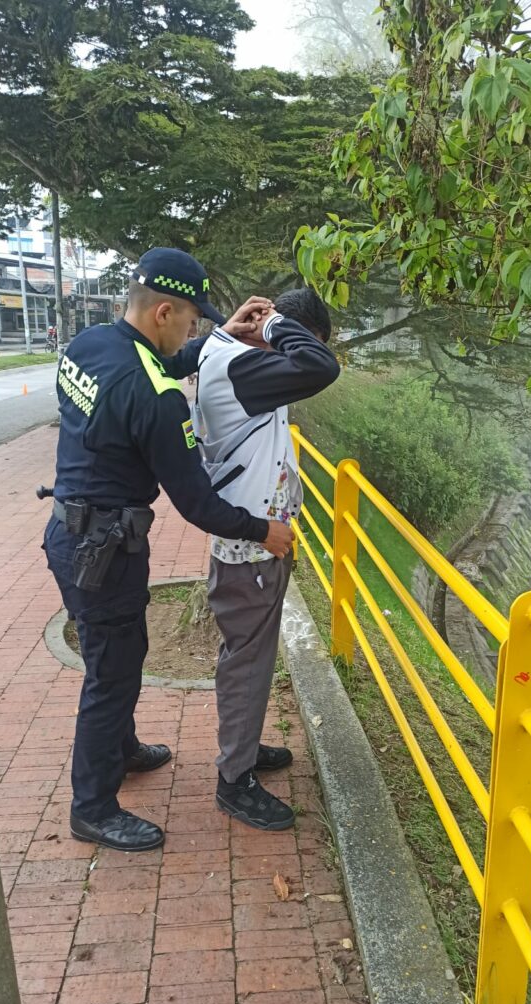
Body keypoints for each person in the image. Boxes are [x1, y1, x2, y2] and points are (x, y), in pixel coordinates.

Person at [42, 247, 294, 853]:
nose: (194, 328)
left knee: (119, 654)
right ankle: (93, 807)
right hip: (106, 548)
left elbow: (156, 364)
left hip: (68, 533)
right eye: (189, 319)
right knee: (110, 674)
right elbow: (199, 504)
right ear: (161, 311)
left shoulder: (92, 344)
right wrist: (265, 532)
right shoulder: (158, 400)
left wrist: (213, 342)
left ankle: (122, 749)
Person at [191, 288, 339, 830]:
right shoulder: (243, 370)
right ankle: (234, 780)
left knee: (249, 657)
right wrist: (277, 326)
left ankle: (244, 751)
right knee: (248, 664)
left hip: (256, 542)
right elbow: (321, 367)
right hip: (251, 548)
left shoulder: (225, 353)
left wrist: (252, 329)